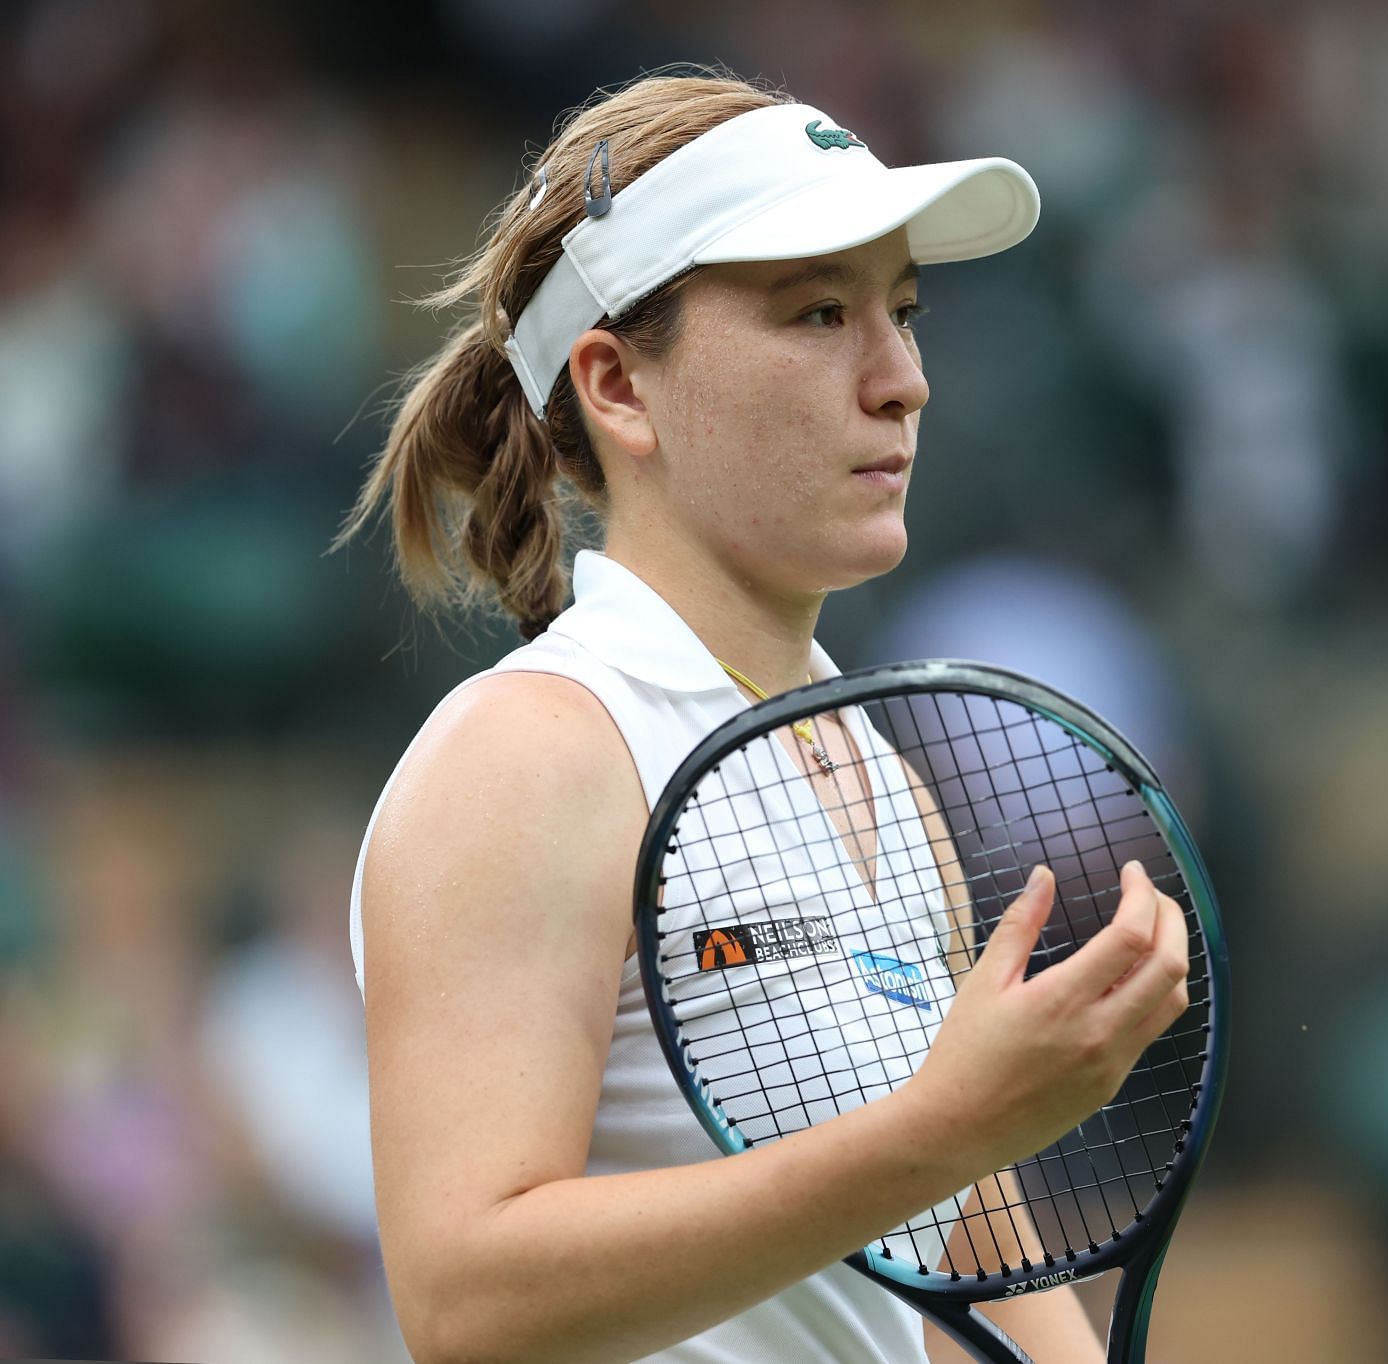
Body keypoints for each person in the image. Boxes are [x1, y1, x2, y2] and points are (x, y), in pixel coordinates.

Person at [338, 70, 1191, 1364]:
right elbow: (468, 1301)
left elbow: (971, 1254)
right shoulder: (529, 754)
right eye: (819, 314)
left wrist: (963, 1137)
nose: (900, 379)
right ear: (619, 387)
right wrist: (948, 1129)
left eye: (903, 313)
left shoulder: (876, 774)